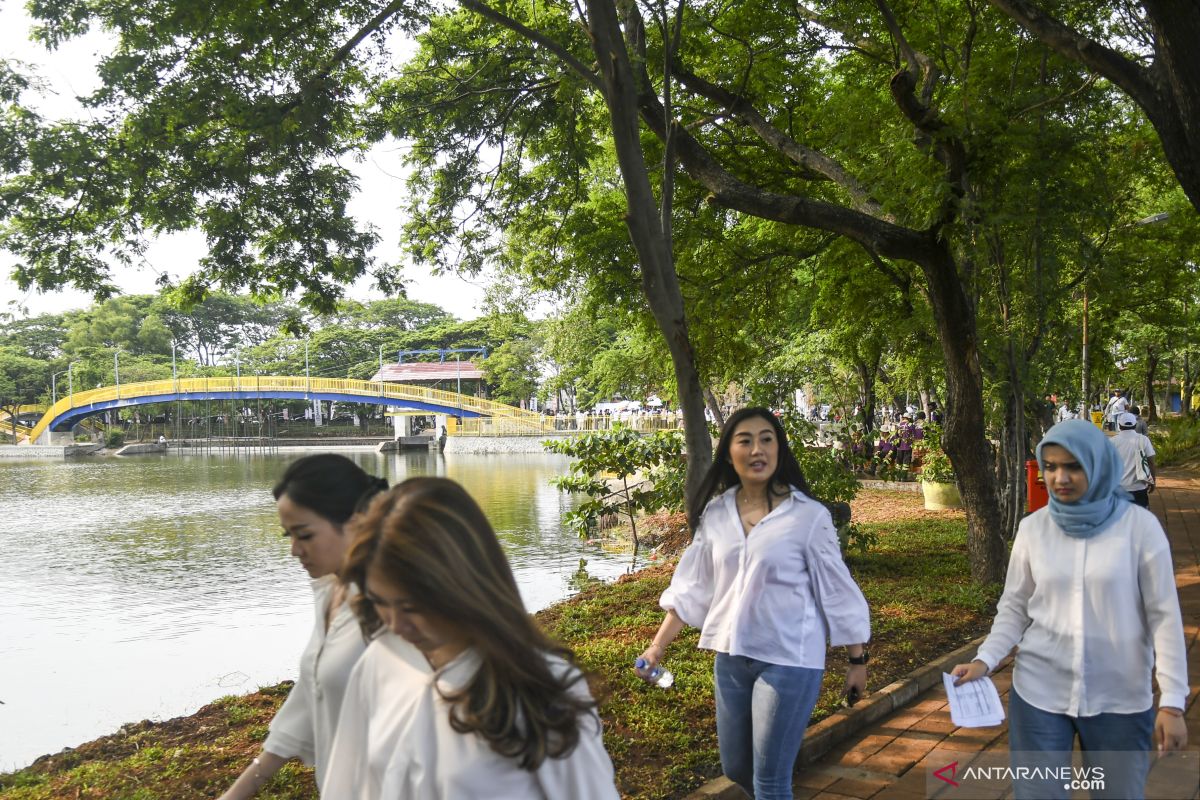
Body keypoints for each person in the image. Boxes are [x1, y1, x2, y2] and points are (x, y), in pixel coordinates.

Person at [323, 477, 619, 799]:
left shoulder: (541, 691)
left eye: (411, 607)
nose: (396, 625)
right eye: (379, 601)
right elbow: (348, 784)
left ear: (460, 587)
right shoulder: (380, 663)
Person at [636, 407, 870, 800]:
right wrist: (657, 648)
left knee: (771, 780)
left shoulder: (808, 517)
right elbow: (693, 585)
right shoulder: (716, 513)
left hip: (790, 659)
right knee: (737, 767)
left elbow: (837, 589)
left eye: (767, 439)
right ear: (729, 453)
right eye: (745, 440)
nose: (757, 448)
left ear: (779, 450)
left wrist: (857, 660)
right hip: (731, 658)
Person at [951, 420, 1188, 800]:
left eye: (1073, 466)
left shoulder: (1140, 529)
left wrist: (1174, 703)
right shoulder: (1033, 529)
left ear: (1097, 464)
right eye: (1051, 466)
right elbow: (1014, 607)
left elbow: (1164, 618)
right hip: (1040, 693)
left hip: (1119, 699)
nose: (1060, 477)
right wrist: (985, 660)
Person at [218, 455, 388, 799]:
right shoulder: (331, 593)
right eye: (289, 536)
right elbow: (312, 693)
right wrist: (239, 791)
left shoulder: (396, 606)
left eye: (305, 535)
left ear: (354, 523)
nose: (294, 550)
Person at [1113, 411, 1157, 507]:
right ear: (1135, 425)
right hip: (1139, 487)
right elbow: (1151, 462)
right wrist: (1152, 481)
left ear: (1119, 426)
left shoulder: (1112, 441)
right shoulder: (1143, 440)